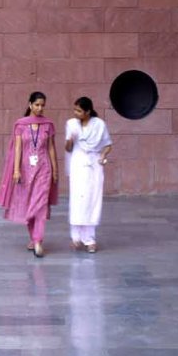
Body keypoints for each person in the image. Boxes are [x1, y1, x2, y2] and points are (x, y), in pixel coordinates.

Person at [0, 91, 58, 258]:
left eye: (42, 105)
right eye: (37, 105)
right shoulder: (20, 125)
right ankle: (33, 237)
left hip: (44, 169)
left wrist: (55, 169)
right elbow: (18, 148)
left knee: (39, 204)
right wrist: (16, 170)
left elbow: (51, 148)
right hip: (25, 170)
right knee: (28, 202)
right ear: (30, 104)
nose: (40, 108)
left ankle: (38, 240)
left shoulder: (48, 125)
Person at [64, 96, 112, 253]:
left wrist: (103, 156)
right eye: (74, 110)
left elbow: (108, 145)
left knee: (92, 201)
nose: (75, 113)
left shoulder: (99, 125)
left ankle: (90, 239)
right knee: (78, 200)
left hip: (94, 166)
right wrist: (71, 139)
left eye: (79, 110)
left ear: (88, 111)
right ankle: (76, 237)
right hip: (78, 165)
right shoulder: (71, 124)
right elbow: (68, 148)